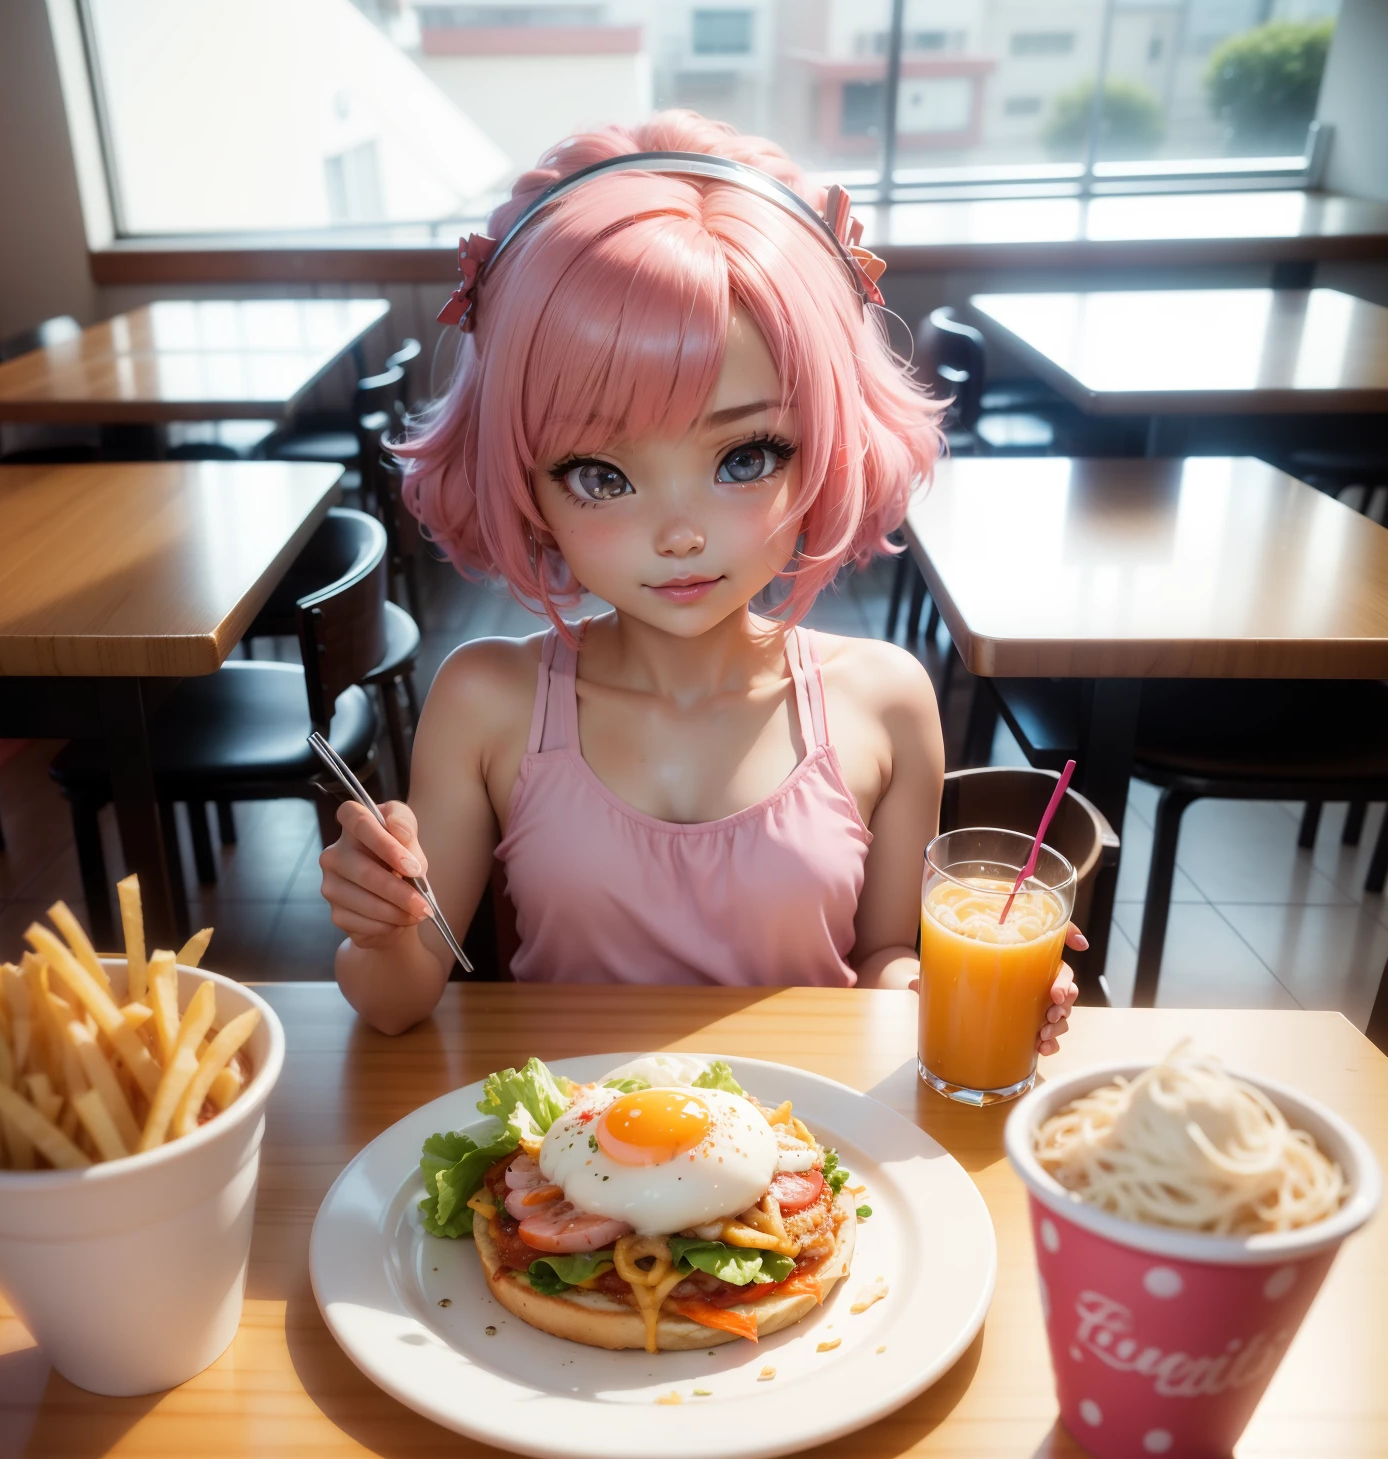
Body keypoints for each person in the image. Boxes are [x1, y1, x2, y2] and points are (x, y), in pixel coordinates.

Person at [319, 111, 1085, 1037]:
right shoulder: (485, 701)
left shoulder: (886, 701)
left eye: (745, 457)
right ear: (522, 481)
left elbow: (886, 959)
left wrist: (959, 994)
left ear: (829, 447)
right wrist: (379, 925)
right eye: (600, 475)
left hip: (805, 1163)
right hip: (563, 1165)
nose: (678, 535)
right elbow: (399, 1002)